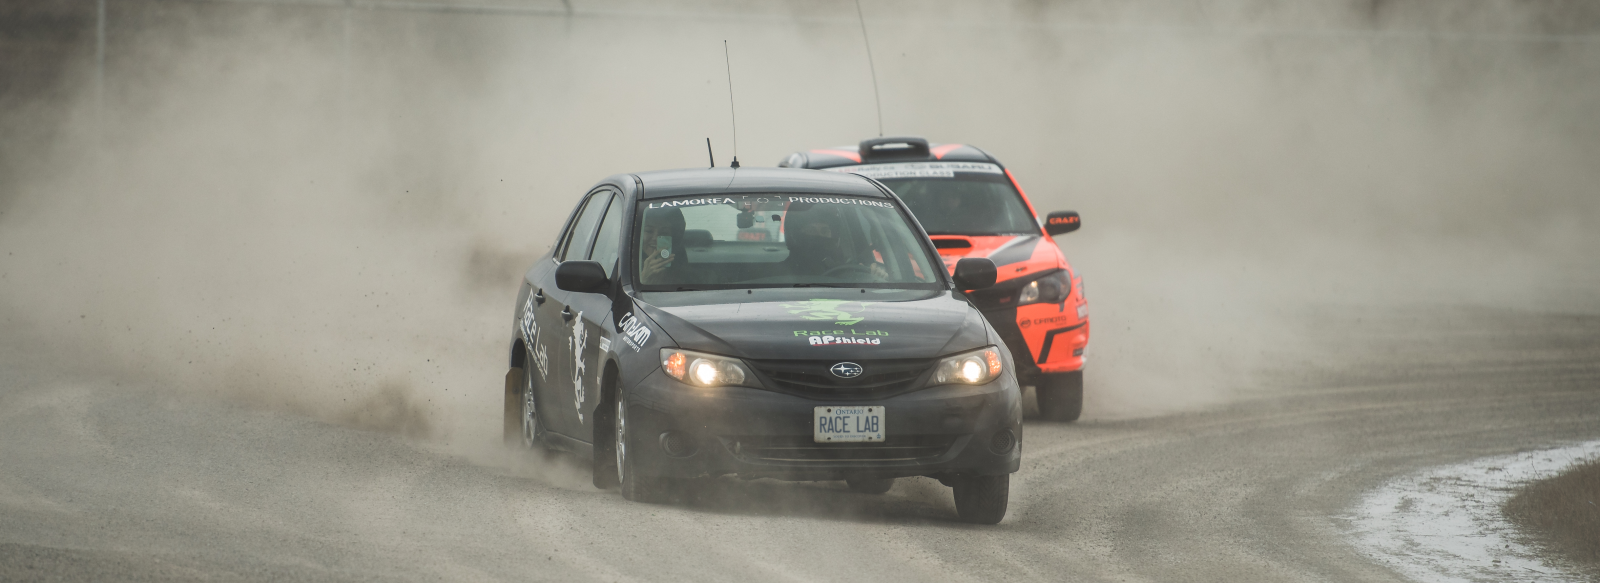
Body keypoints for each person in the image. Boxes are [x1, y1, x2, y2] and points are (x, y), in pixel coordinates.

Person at [782, 206, 888, 281]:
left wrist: (875, 278)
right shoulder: (778, 274)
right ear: (795, 236)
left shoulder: (852, 272)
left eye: (825, 231)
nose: (819, 236)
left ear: (834, 236)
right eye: (811, 230)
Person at [638, 207, 684, 284]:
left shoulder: (683, 270)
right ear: (639, 234)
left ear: (674, 238)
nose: (655, 238)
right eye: (649, 231)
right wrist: (644, 279)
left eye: (664, 233)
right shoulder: (627, 267)